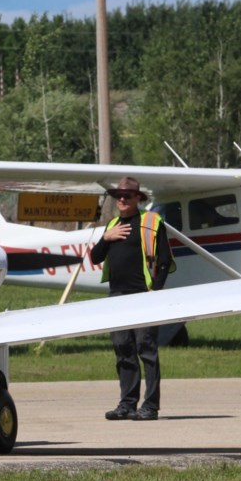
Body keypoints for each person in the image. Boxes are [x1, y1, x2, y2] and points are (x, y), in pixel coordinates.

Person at [89, 176, 175, 421]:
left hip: (143, 296)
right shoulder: (113, 225)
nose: (122, 199)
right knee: (123, 350)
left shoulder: (151, 222)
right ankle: (127, 404)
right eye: (118, 196)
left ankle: (150, 406)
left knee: (146, 350)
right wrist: (106, 238)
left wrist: (154, 292)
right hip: (117, 297)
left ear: (138, 198)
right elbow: (95, 258)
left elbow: (165, 260)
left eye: (128, 195)